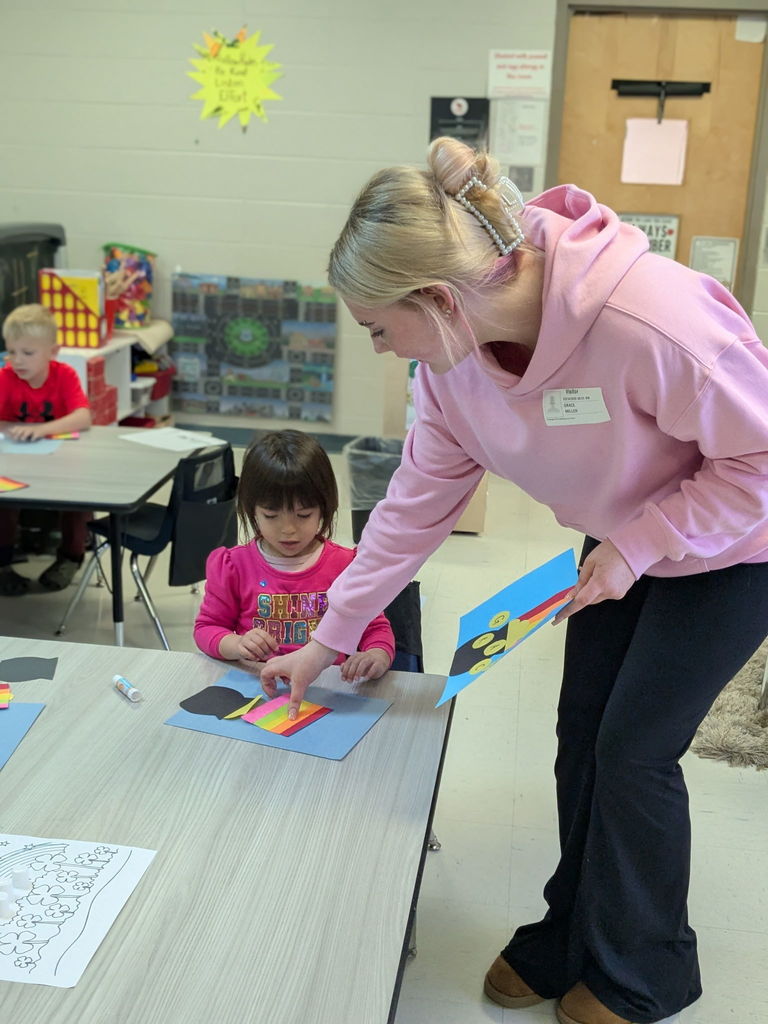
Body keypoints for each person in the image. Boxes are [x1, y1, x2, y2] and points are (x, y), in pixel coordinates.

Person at [260, 137, 768, 1024]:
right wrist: (328, 637)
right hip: (623, 546)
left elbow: (760, 458)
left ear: (438, 298)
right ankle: (570, 931)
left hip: (734, 545)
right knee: (581, 736)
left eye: (380, 328)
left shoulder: (650, 320)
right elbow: (415, 505)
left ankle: (646, 968)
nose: (380, 350)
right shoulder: (452, 366)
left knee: (634, 751)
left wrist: (641, 542)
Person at [194, 429, 395, 683]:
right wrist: (237, 643)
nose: (288, 530)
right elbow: (206, 629)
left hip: (326, 686)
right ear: (250, 509)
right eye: (271, 515)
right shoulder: (233, 566)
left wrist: (377, 655)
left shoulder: (346, 565)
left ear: (324, 507)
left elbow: (375, 627)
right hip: (259, 685)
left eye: (303, 515)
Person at [0, 304, 92, 596]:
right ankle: (3, 563)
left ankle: (70, 557)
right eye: (11, 351)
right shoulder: (5, 377)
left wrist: (40, 429)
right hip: (17, 461)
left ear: (53, 352)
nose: (17, 360)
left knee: (79, 500)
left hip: (62, 460)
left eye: (28, 353)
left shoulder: (63, 375)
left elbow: (84, 417)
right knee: (5, 500)